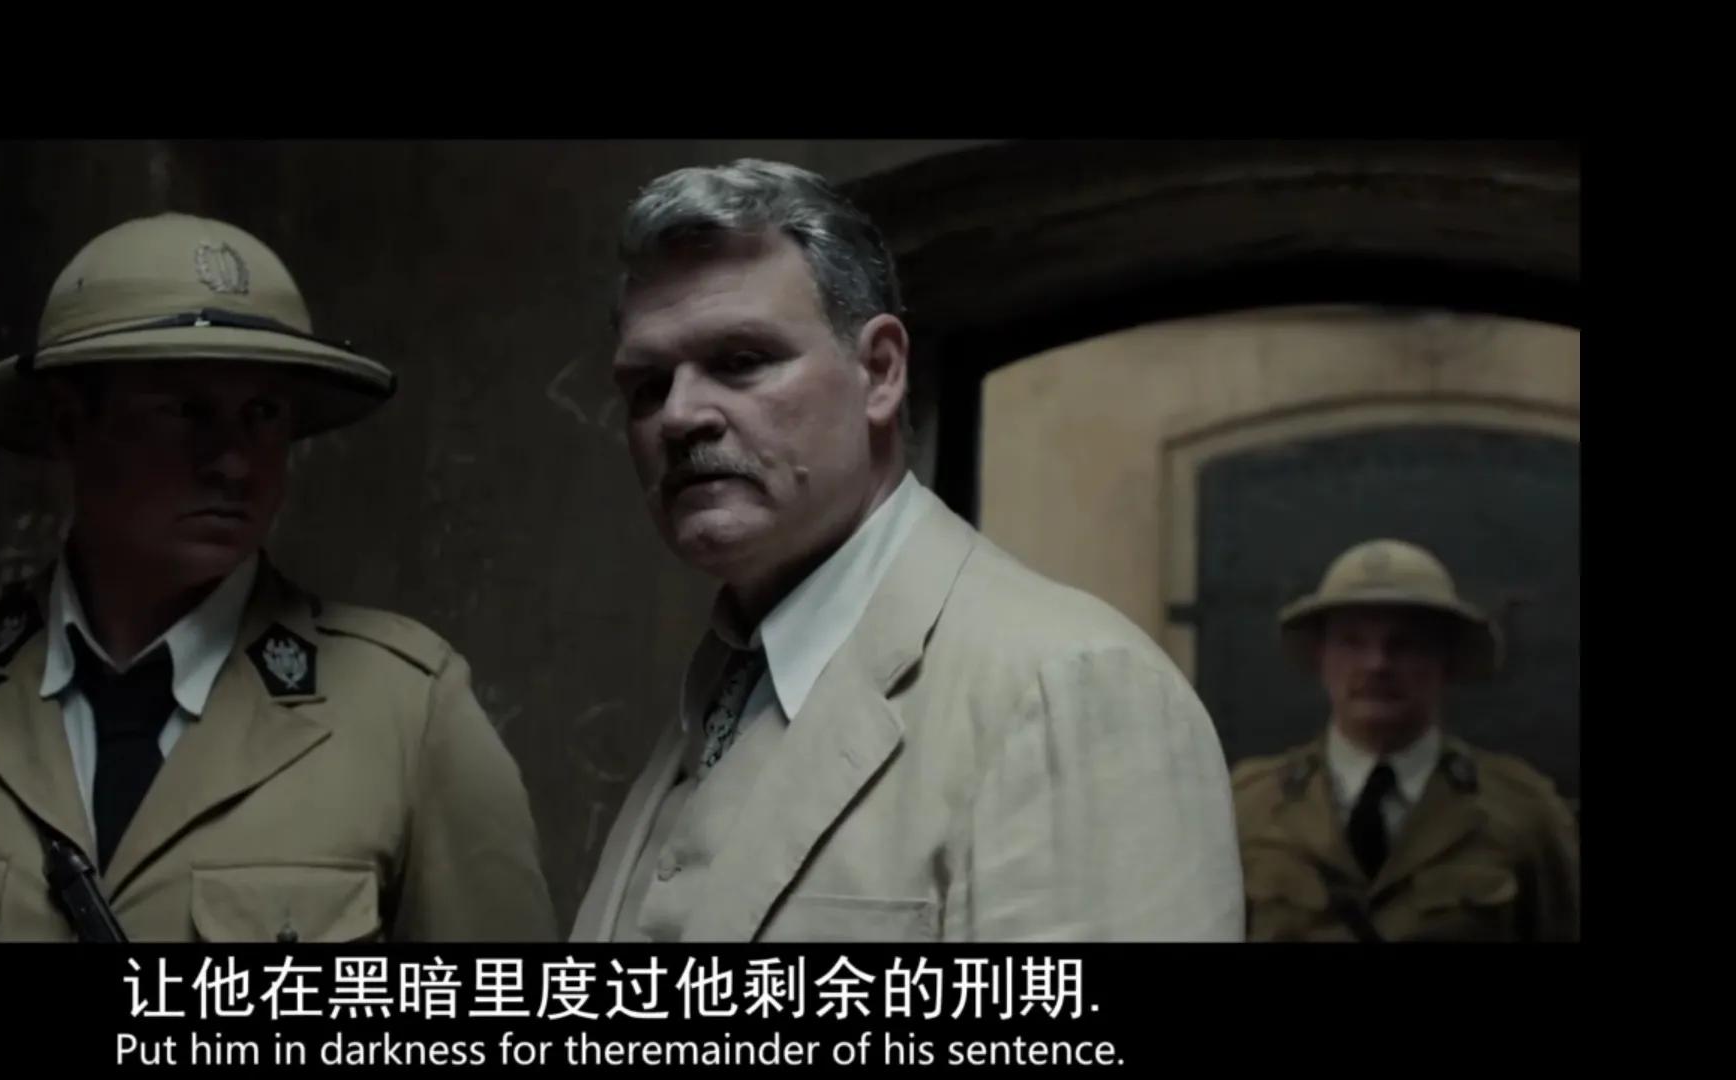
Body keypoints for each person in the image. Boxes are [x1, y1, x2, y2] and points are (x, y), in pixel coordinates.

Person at [0, 212, 553, 942]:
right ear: (70, 423)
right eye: (184, 411)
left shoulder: (407, 717)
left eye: (263, 415)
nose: (234, 462)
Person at [571, 159, 1242, 943]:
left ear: (881, 372)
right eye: (647, 386)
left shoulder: (1068, 688)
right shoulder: (725, 687)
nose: (680, 416)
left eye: (741, 362)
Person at [1232, 538, 1579, 942]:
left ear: (1446, 659)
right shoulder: (1249, 806)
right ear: (1321, 657)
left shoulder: (1521, 811)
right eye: (1352, 641)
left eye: (1405, 644)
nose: (1377, 664)